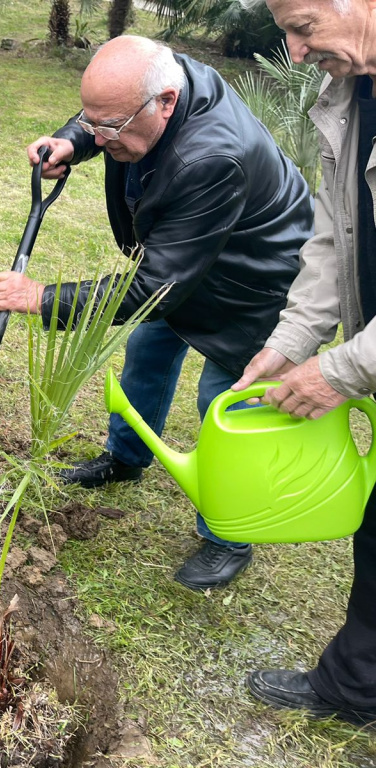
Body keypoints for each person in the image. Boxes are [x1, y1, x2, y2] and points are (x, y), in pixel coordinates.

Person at [0, 36, 313, 591]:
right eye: (93, 122)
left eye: (109, 128)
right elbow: (105, 113)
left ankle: (229, 534)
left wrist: (42, 298)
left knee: (225, 401)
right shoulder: (159, 79)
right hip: (185, 252)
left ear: (166, 102)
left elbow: (152, 289)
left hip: (254, 280)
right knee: (146, 352)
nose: (100, 136)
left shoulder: (211, 156)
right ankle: (126, 458)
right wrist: (73, 139)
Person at [230, 0, 376, 728]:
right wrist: (292, 341)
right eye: (283, 30)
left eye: (305, 25)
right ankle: (358, 686)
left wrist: (340, 371)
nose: (292, 50)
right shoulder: (348, 94)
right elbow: (333, 235)